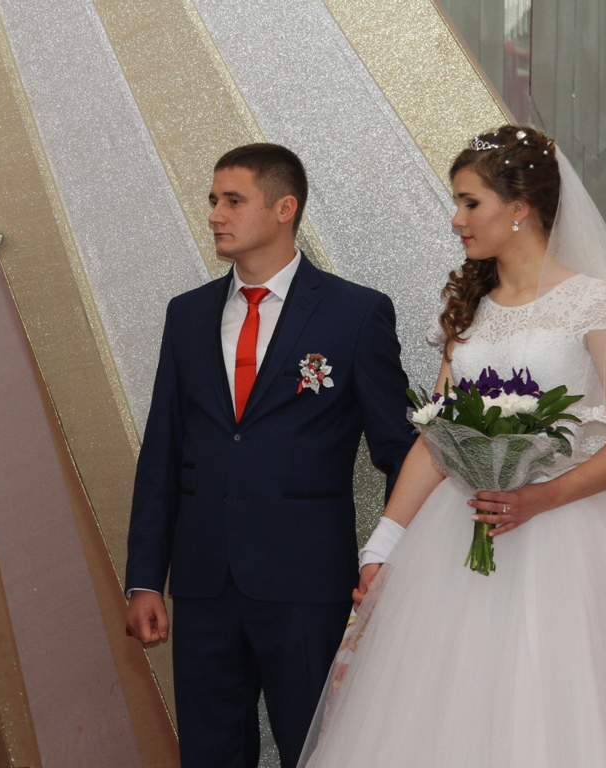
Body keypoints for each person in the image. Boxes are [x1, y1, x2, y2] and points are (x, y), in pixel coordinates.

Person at [297, 126, 606, 767]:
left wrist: (541, 497)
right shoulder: (469, 310)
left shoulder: (589, 303)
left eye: (470, 202)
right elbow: (436, 441)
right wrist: (382, 546)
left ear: (519, 207)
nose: (457, 219)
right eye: (457, 202)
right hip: (454, 539)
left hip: (564, 539)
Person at [124, 143, 415, 768]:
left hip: (307, 582)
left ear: (285, 208)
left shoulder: (356, 313)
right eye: (213, 200)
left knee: (313, 751)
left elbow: (402, 450)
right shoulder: (188, 314)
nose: (215, 214)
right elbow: (163, 452)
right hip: (203, 582)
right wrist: (145, 577)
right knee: (209, 753)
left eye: (233, 200)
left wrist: (392, 553)